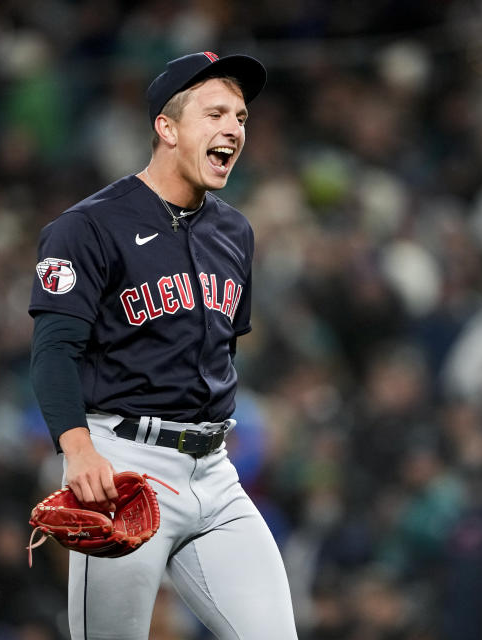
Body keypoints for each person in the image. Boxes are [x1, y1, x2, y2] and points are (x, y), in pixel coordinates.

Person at [28, 51, 297, 640]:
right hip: (125, 463)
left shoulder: (235, 231)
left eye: (242, 117)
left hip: (215, 473)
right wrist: (78, 449)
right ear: (167, 128)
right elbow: (52, 352)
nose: (233, 128)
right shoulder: (87, 227)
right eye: (216, 113)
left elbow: (221, 351)